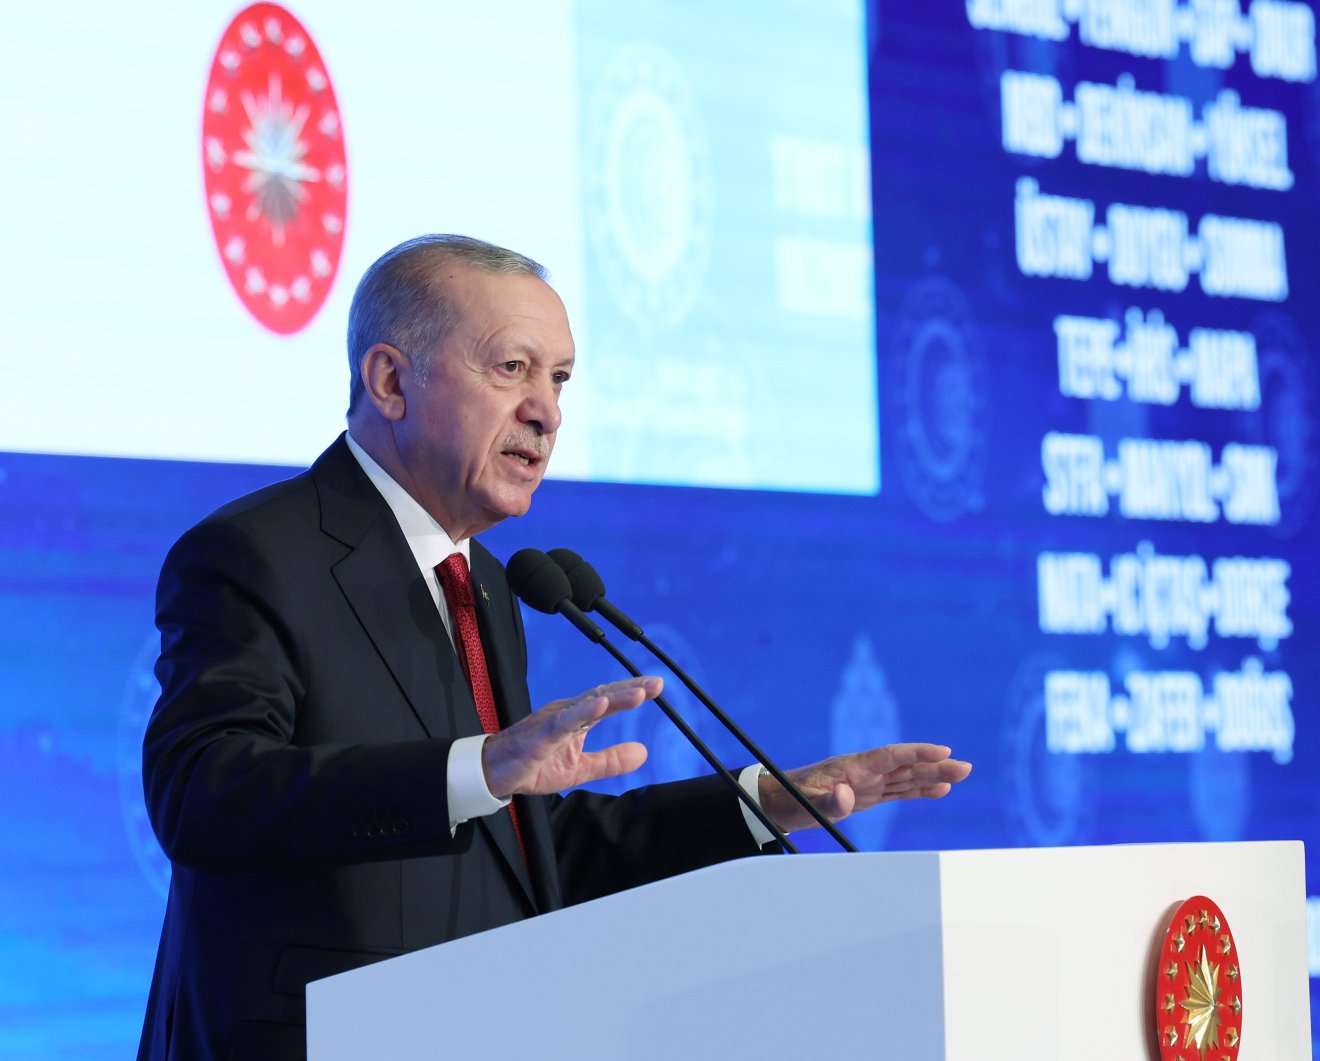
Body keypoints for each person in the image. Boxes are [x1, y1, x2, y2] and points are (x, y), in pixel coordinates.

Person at [137, 234, 971, 1060]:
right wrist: (479, 768)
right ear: (390, 380)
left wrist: (765, 800)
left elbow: (530, 851)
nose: (548, 410)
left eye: (560, 378)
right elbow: (203, 793)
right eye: (511, 369)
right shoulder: (256, 553)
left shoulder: (491, 586)